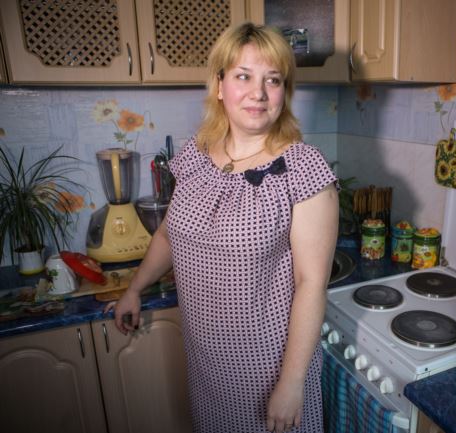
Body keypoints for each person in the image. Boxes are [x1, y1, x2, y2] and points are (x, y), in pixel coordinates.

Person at [105, 22, 338, 433]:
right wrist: (135, 289)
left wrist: (292, 382)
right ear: (219, 86)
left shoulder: (302, 168)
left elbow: (311, 284)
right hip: (206, 365)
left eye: (273, 80)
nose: (259, 93)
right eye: (243, 76)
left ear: (284, 92)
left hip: (269, 369)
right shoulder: (195, 156)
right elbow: (168, 235)